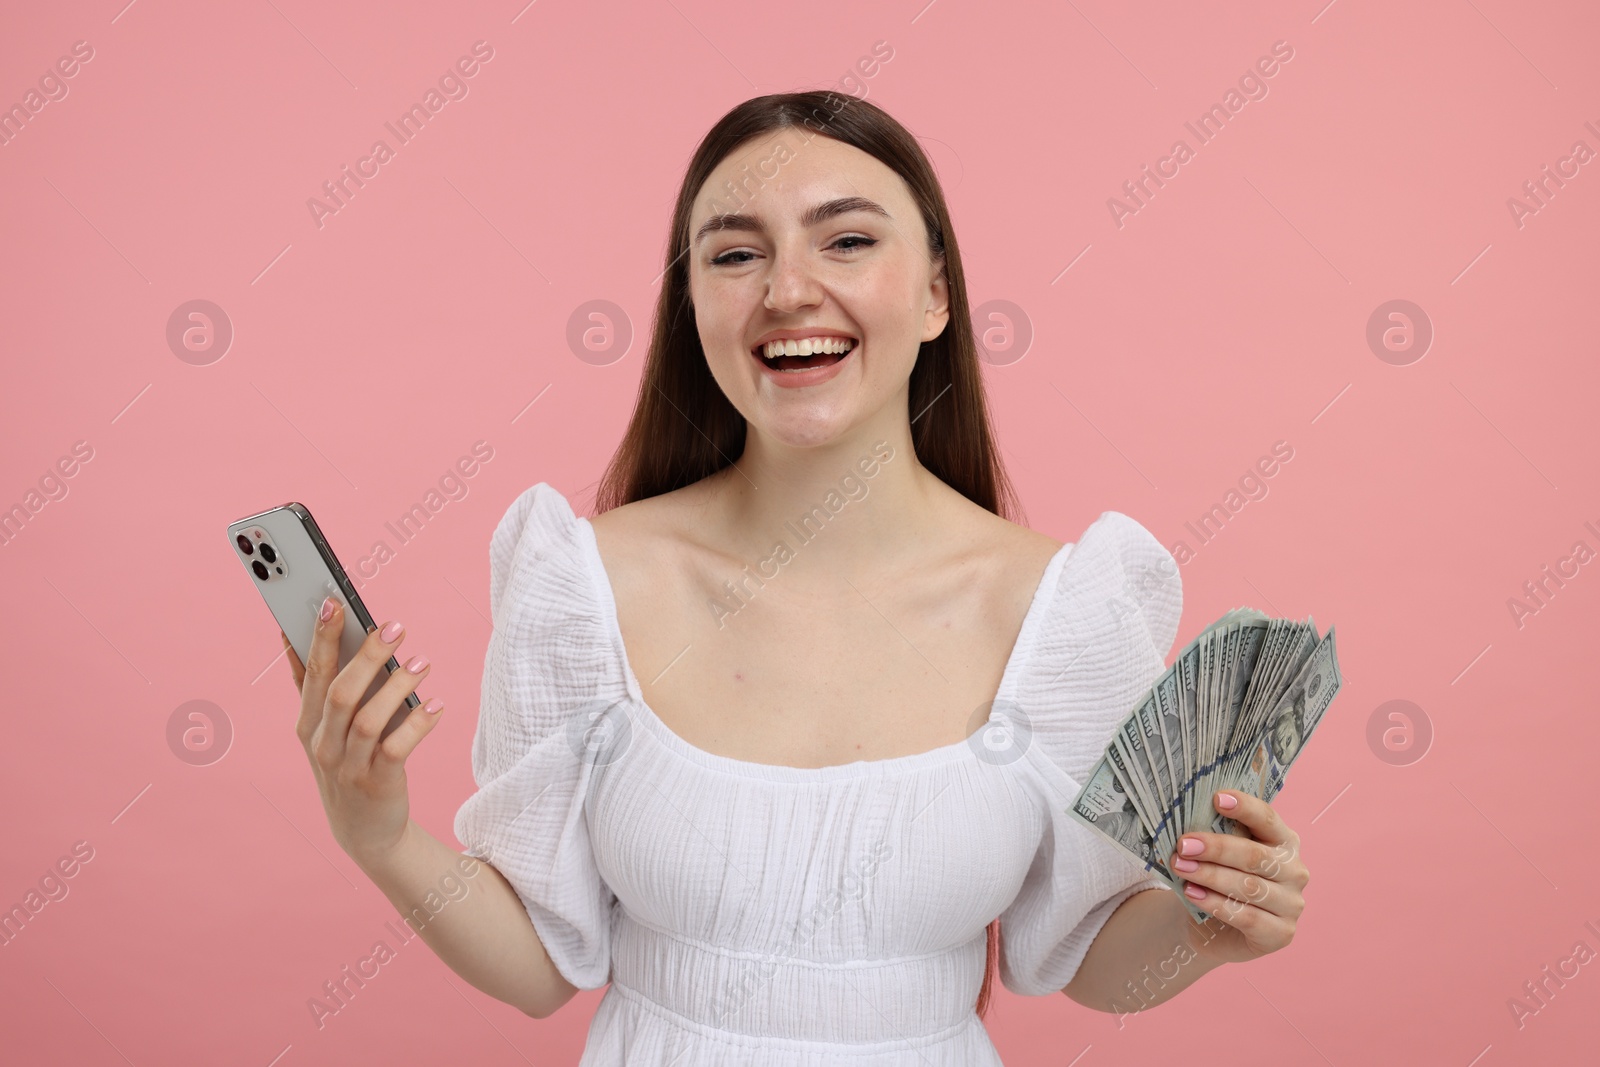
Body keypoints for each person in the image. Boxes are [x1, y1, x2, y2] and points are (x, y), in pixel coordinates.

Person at [277, 91, 1311, 1063]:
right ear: (691, 304)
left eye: (849, 240)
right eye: (734, 254)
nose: (785, 290)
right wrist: (376, 831)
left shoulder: (1065, 617)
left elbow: (1090, 960)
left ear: (938, 294)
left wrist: (1206, 923)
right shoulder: (580, 585)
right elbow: (542, 964)